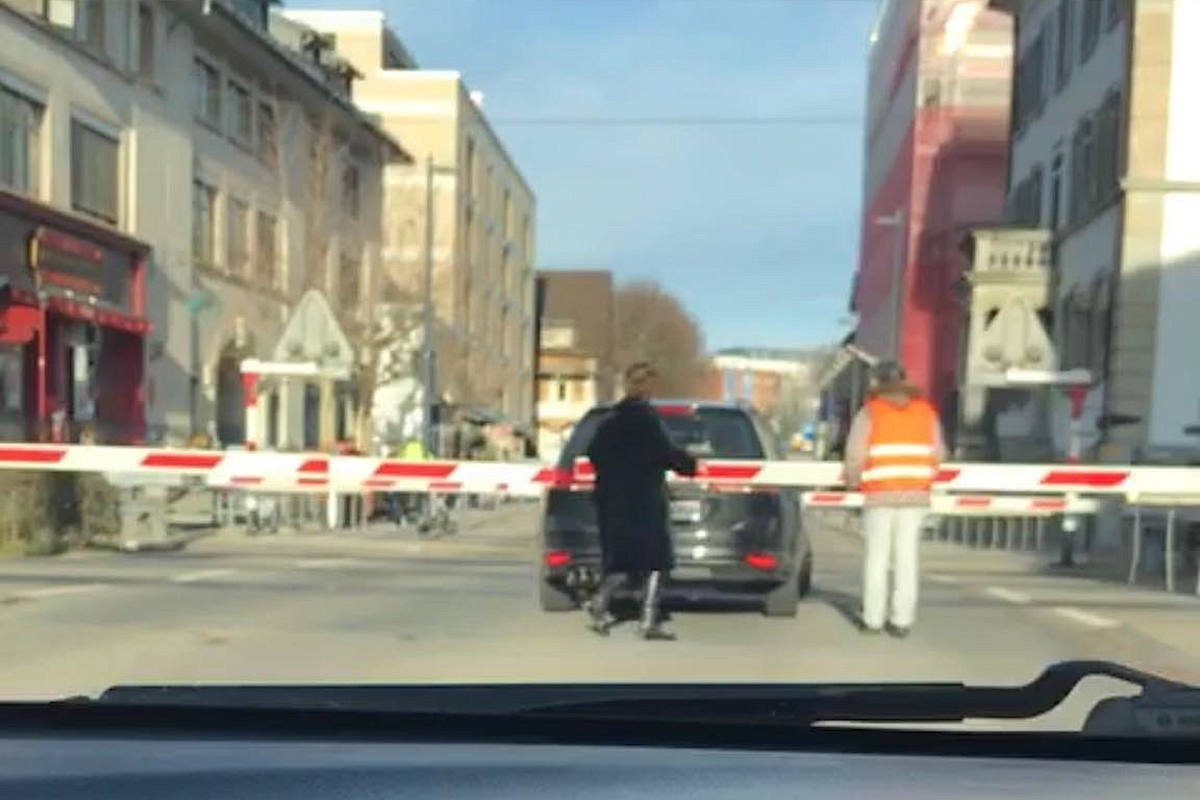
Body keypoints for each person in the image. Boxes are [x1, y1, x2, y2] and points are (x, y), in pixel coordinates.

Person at [584, 362, 698, 640]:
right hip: (643, 498)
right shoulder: (648, 421)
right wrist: (689, 464)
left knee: (620, 559)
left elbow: (593, 452)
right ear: (647, 387)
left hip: (611, 498)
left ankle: (600, 603)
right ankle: (648, 620)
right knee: (655, 560)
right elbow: (666, 454)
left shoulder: (609, 421)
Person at [844, 360, 946, 638]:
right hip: (915, 494)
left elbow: (855, 453)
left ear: (877, 382)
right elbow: (938, 454)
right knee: (906, 557)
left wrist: (853, 482)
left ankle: (872, 620)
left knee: (876, 557)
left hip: (879, 492)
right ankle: (902, 620)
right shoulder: (926, 413)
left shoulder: (870, 412)